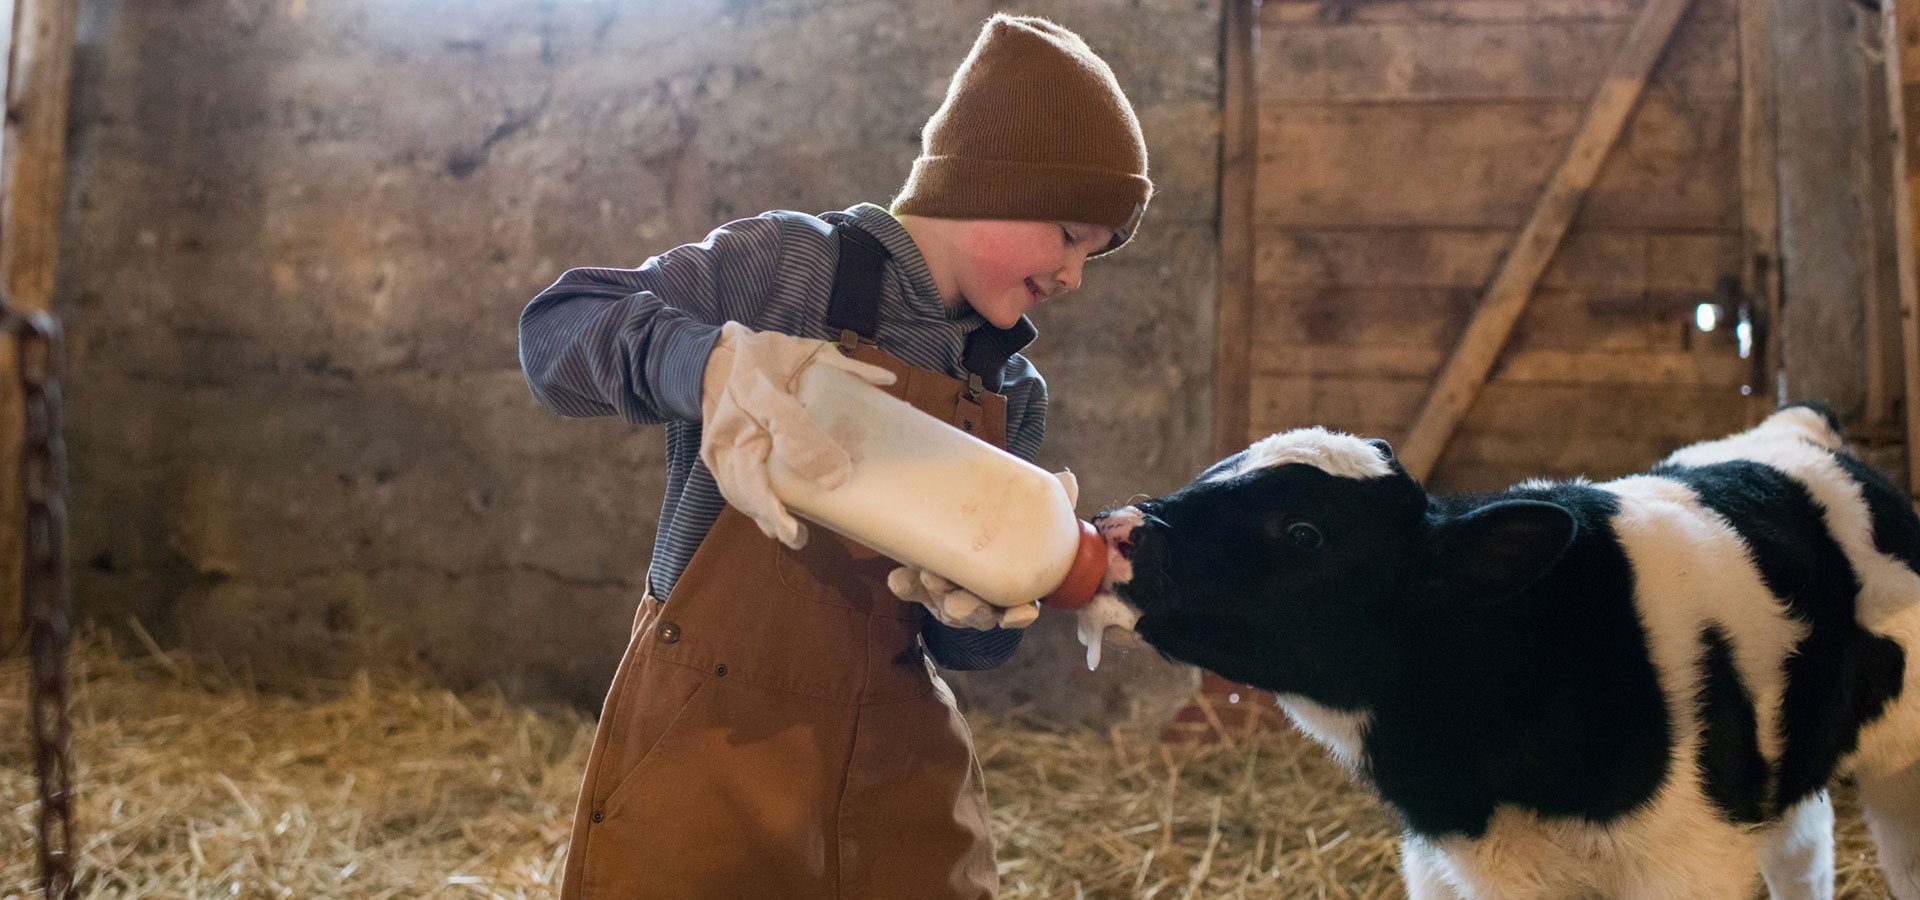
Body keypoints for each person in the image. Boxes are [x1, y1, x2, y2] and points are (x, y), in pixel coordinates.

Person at [517, 14, 1150, 898]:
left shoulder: (1012, 390)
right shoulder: (789, 269)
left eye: (1094, 253)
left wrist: (976, 625)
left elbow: (959, 647)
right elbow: (555, 332)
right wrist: (705, 364)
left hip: (892, 757)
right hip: (709, 734)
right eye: (1071, 235)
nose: (1076, 273)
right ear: (993, 181)